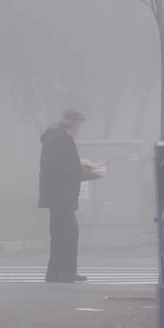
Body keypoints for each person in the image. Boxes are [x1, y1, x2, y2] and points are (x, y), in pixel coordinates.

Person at [39, 109, 93, 283]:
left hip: (58, 194)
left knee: (61, 233)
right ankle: (65, 272)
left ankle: (56, 272)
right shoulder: (59, 138)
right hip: (60, 195)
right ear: (71, 123)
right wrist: (80, 171)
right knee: (68, 232)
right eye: (78, 124)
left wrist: (78, 169)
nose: (79, 128)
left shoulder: (58, 137)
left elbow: (61, 164)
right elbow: (57, 167)